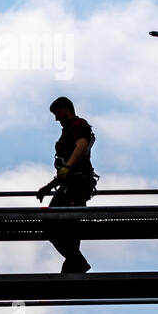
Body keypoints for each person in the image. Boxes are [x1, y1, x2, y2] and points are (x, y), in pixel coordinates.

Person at [36, 96, 98, 273]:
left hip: (77, 183)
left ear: (66, 108)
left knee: (51, 224)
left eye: (57, 113)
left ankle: (75, 262)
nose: (56, 118)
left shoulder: (78, 125)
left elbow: (81, 146)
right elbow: (67, 165)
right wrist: (49, 187)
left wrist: (68, 167)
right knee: (69, 226)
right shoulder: (69, 130)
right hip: (73, 183)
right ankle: (74, 263)